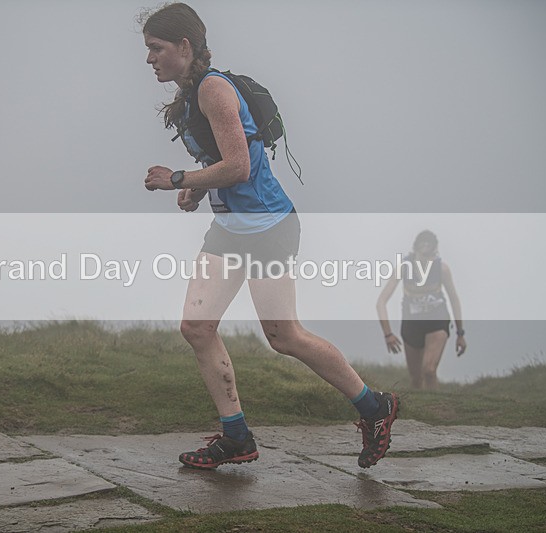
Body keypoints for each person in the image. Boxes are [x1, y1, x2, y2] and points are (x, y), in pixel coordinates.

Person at [139, 3, 399, 470]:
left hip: (268, 226)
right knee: (197, 327)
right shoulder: (190, 95)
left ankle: (375, 408)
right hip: (232, 227)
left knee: (283, 335)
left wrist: (177, 179)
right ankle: (237, 436)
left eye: (156, 48)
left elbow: (239, 167)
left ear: (185, 46)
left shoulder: (214, 89)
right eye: (147, 50)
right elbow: (230, 161)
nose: (149, 58)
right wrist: (196, 191)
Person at [376, 230, 467, 389]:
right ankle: (422, 411)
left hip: (437, 322)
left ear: (435, 253)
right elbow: (381, 301)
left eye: (429, 257)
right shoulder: (403, 268)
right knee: (416, 379)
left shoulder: (442, 269)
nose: (425, 262)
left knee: (429, 370)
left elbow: (454, 299)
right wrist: (388, 334)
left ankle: (438, 410)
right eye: (422, 256)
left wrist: (460, 333)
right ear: (415, 251)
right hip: (412, 325)